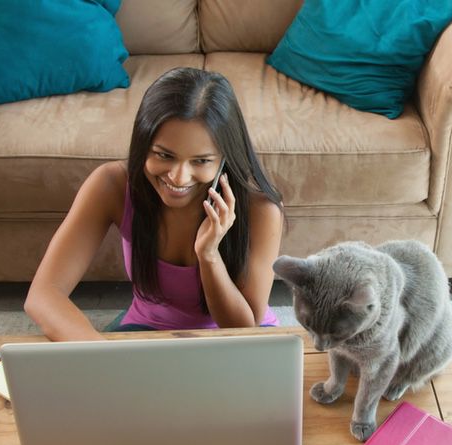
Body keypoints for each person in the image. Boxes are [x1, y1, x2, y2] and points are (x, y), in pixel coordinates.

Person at [25, 68, 284, 341]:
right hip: (149, 328)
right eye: (164, 155)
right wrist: (101, 356)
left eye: (201, 161)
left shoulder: (261, 209)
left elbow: (243, 328)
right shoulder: (111, 185)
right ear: (143, 144)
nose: (178, 177)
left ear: (224, 159)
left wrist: (209, 255)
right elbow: (44, 295)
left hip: (234, 337)